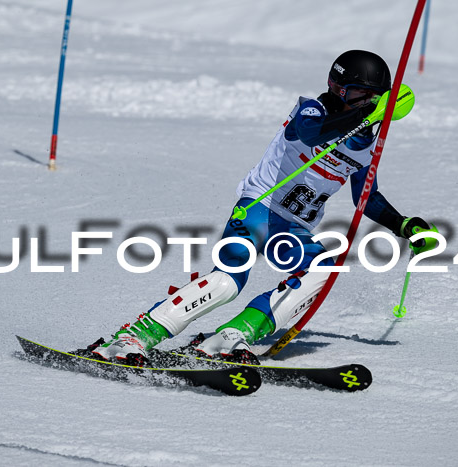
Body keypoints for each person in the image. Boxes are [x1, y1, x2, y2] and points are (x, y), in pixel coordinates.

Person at [88, 50, 432, 366]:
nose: (371, 101)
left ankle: (231, 337)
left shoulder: (366, 144)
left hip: (293, 228)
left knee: (323, 270)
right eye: (362, 93)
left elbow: (366, 198)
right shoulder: (312, 110)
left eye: (377, 96)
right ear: (339, 88)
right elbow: (312, 135)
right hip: (258, 208)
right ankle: (132, 338)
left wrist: (404, 226)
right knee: (228, 280)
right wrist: (367, 113)